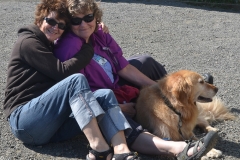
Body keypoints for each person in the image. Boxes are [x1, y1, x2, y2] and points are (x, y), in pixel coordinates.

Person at [53, 0, 218, 159]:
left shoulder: (99, 34)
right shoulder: (69, 46)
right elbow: (80, 95)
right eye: (76, 20)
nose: (83, 24)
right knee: (119, 119)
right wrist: (120, 107)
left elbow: (124, 68)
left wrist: (165, 91)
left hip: (115, 85)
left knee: (146, 62)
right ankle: (176, 149)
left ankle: (186, 105)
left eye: (88, 17)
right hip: (100, 98)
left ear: (96, 17)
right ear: (68, 22)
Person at [3, 0, 142, 160]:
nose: (56, 27)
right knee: (76, 80)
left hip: (51, 126)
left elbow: (79, 26)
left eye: (62, 25)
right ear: (40, 19)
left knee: (104, 95)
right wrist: (89, 45)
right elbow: (62, 72)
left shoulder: (49, 43)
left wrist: (95, 26)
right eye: (51, 21)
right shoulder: (28, 43)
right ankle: (99, 148)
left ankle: (121, 151)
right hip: (25, 122)